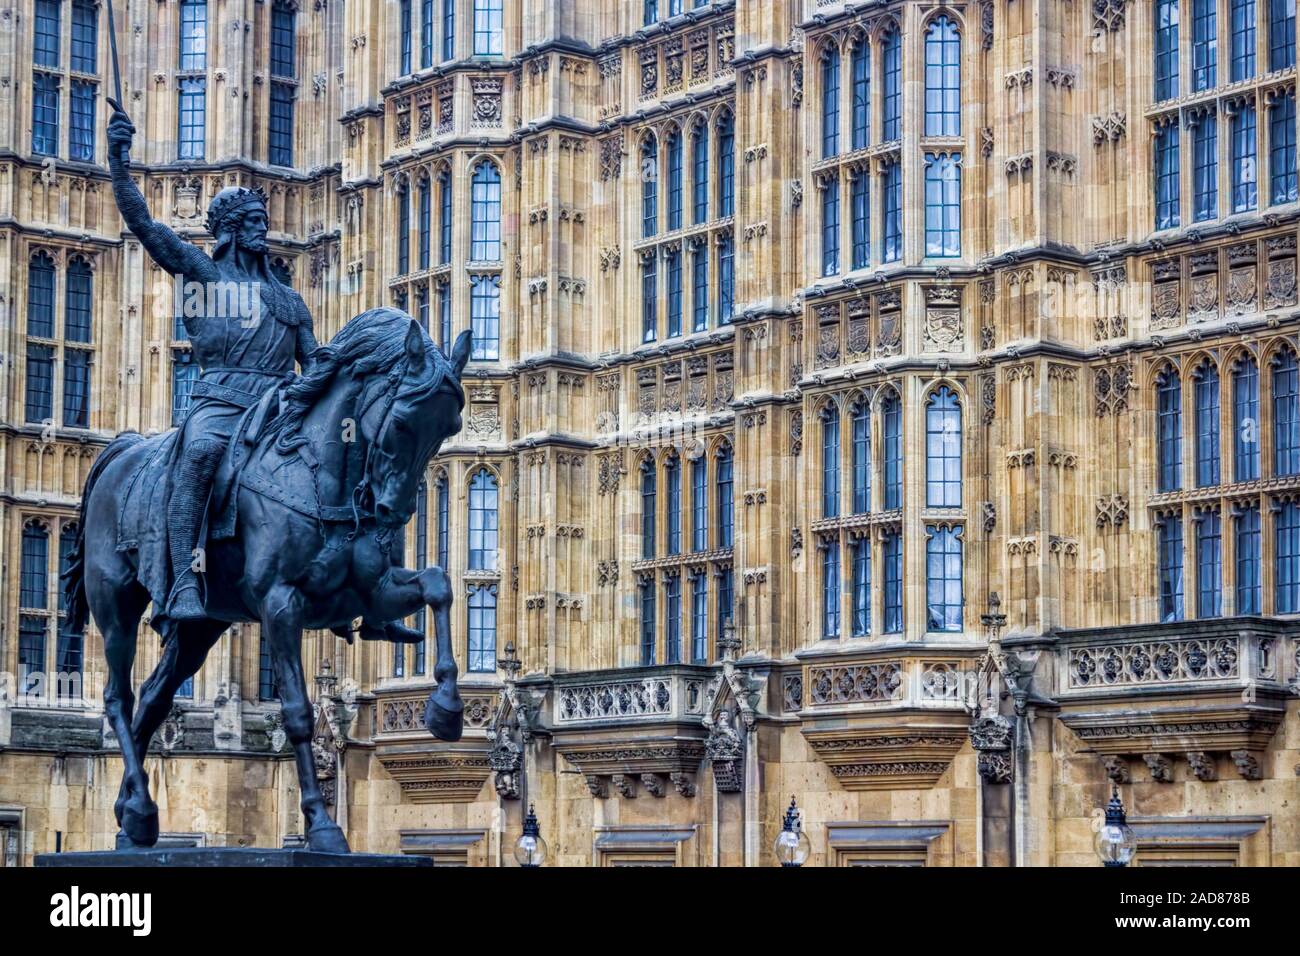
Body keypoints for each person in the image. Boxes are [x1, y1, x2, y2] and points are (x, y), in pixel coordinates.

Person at [107, 98, 319, 619]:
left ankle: (354, 581)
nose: (260, 227)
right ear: (227, 228)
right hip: (221, 404)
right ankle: (182, 580)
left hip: (277, 409)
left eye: (262, 219)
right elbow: (146, 226)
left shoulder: (290, 300)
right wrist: (118, 164)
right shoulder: (204, 274)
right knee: (200, 454)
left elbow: (314, 364)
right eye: (249, 219)